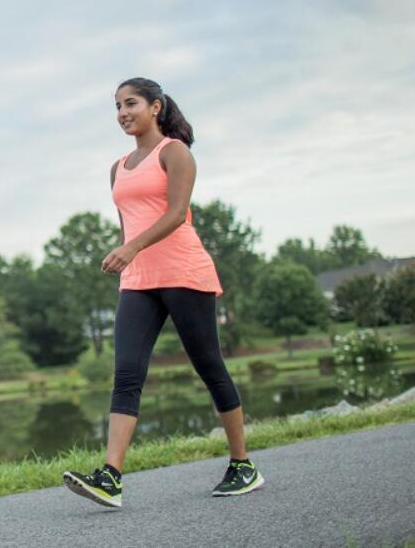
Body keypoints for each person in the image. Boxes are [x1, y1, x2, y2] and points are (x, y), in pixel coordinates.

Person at [62, 77, 264, 509]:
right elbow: (128, 224)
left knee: (209, 366)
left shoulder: (175, 153)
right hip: (138, 281)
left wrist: (131, 247)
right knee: (127, 373)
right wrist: (125, 254)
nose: (122, 112)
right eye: (116, 106)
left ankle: (243, 464)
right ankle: (111, 477)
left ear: (156, 107)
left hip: (183, 272)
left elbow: (175, 215)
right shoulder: (117, 167)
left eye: (130, 103)